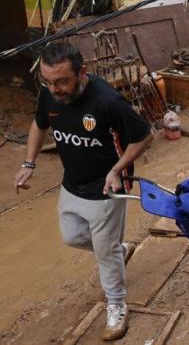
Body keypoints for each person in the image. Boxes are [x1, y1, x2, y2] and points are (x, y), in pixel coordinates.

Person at [14, 42, 153, 340]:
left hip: (107, 187)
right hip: (73, 183)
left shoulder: (107, 101)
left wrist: (117, 170)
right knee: (72, 237)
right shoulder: (50, 95)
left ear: (82, 72)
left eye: (63, 81)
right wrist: (29, 162)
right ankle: (118, 249)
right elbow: (39, 125)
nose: (55, 89)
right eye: (48, 81)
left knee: (104, 255)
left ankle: (116, 306)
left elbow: (144, 135)